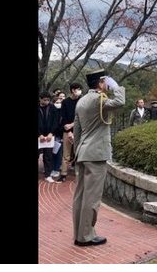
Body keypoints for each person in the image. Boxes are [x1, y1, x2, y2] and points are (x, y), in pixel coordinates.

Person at [72, 69, 125, 247]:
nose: (107, 85)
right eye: (106, 81)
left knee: (80, 196)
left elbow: (77, 132)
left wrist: (76, 153)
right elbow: (120, 101)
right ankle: (86, 236)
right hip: (95, 154)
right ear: (101, 82)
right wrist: (116, 86)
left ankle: (79, 233)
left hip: (82, 153)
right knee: (92, 198)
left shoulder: (81, 101)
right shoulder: (98, 99)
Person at [56, 82, 83, 183]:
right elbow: (63, 118)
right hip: (67, 132)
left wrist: (72, 126)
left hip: (79, 131)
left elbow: (82, 117)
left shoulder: (82, 101)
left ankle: (79, 175)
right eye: (78, 89)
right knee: (66, 155)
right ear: (73, 90)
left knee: (78, 154)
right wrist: (69, 131)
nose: (80, 91)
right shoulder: (65, 102)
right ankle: (63, 174)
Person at [38, 91, 61, 183]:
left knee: (48, 156)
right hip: (39, 136)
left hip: (49, 136)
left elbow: (56, 121)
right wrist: (39, 134)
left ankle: (48, 175)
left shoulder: (52, 108)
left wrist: (51, 133)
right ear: (40, 99)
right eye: (44, 100)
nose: (46, 102)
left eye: (48, 100)